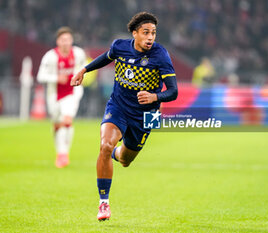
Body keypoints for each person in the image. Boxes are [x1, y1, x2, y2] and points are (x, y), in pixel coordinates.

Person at [71, 12, 178, 221]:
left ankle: (116, 153)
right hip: (118, 106)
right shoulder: (120, 46)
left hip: (147, 115)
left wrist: (154, 96)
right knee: (105, 145)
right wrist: (83, 69)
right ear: (135, 33)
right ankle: (104, 204)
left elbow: (173, 91)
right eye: (146, 33)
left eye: (154, 33)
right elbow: (105, 58)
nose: (150, 37)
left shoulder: (161, 54)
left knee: (125, 160)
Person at [37, 27, 86, 168]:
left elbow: (85, 68)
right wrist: (56, 78)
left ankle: (64, 154)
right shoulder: (50, 56)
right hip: (54, 95)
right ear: (58, 41)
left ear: (72, 40)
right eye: (63, 40)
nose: (66, 42)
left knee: (67, 119)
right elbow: (41, 76)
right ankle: (60, 152)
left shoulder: (78, 53)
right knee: (57, 124)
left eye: (68, 39)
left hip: (73, 93)